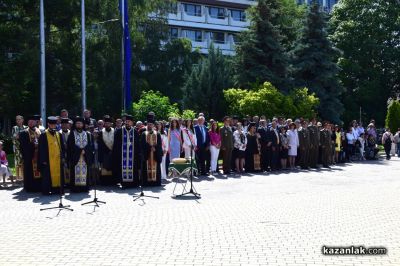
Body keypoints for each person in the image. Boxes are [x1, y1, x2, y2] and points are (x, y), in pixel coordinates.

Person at [38, 117, 64, 195]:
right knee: (47, 176)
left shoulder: (58, 134)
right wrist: (43, 160)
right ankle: (47, 190)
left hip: (57, 159)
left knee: (58, 174)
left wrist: (63, 157)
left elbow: (62, 147)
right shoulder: (43, 135)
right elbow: (41, 149)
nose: (53, 126)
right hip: (48, 159)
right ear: (48, 124)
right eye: (51, 124)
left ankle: (58, 190)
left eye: (54, 124)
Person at [67, 116, 94, 192]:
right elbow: (70, 146)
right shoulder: (72, 134)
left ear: (83, 124)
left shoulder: (87, 134)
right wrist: (79, 151)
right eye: (77, 123)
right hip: (76, 157)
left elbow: (90, 145)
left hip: (85, 157)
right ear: (75, 125)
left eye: (80, 123)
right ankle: (76, 188)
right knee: (75, 172)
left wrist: (85, 150)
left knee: (85, 172)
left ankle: (85, 188)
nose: (79, 125)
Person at [113, 115, 140, 188]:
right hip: (122, 155)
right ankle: (123, 183)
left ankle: (133, 183)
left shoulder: (135, 131)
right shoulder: (119, 131)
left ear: (132, 123)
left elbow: (137, 144)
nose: (127, 123)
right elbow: (116, 144)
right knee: (122, 168)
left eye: (129, 121)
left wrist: (137, 154)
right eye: (126, 121)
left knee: (133, 167)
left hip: (132, 155)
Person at [19, 115, 42, 192]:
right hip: (29, 156)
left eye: (32, 121)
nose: (31, 123)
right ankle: (30, 187)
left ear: (36, 122)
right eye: (29, 122)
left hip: (38, 155)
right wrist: (33, 145)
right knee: (29, 171)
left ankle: (39, 186)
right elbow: (23, 146)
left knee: (39, 170)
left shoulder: (39, 131)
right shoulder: (24, 132)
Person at [140, 114, 162, 186]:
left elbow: (159, 144)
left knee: (156, 167)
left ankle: (155, 182)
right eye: (148, 124)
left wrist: (155, 148)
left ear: (153, 125)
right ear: (147, 125)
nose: (150, 126)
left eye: (151, 124)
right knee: (146, 167)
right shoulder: (144, 133)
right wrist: (150, 148)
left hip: (155, 154)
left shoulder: (157, 134)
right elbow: (142, 144)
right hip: (147, 154)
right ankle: (147, 183)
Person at [97, 115, 115, 185]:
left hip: (112, 152)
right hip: (104, 153)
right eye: (106, 123)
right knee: (104, 167)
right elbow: (100, 144)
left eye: (109, 123)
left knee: (112, 166)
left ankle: (112, 181)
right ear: (104, 124)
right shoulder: (101, 132)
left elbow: (116, 142)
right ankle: (104, 182)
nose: (107, 124)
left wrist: (113, 150)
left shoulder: (114, 131)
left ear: (111, 124)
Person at [11, 115, 27, 181]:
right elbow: (14, 137)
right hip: (17, 148)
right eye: (17, 119)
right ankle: (18, 177)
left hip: (25, 147)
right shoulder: (14, 128)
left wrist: (20, 136)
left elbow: (27, 137)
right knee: (17, 162)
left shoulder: (26, 127)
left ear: (22, 120)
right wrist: (21, 135)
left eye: (19, 119)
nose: (18, 121)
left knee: (24, 162)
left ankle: (24, 177)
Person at [59, 118, 71, 185]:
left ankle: (69, 182)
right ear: (61, 125)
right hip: (62, 153)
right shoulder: (58, 133)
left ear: (68, 125)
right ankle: (63, 182)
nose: (64, 126)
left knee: (69, 167)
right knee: (63, 167)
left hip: (69, 153)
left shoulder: (71, 133)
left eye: (66, 124)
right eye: (63, 124)